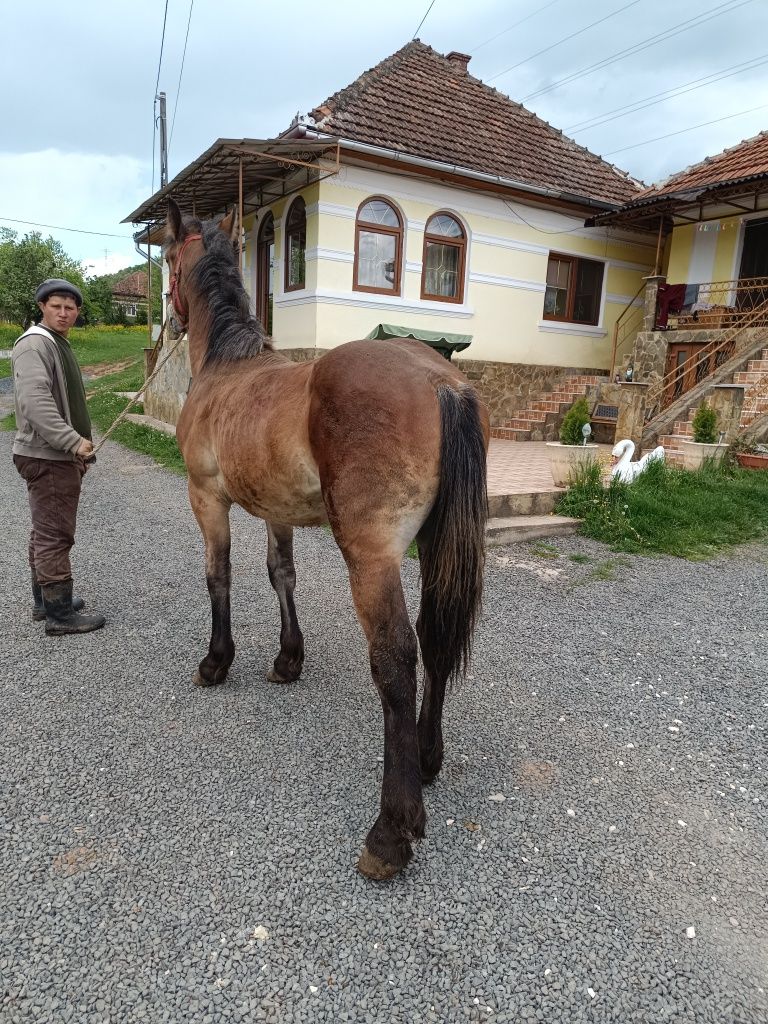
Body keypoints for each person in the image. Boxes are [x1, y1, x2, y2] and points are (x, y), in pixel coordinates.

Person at [12, 279, 106, 635]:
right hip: (48, 455)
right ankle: (59, 615)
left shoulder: (55, 342)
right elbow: (34, 403)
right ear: (42, 306)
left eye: (70, 307)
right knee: (55, 534)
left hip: (52, 455)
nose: (64, 312)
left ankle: (44, 601)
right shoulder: (35, 344)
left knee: (44, 529)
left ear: (77, 311)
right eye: (57, 306)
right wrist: (71, 441)